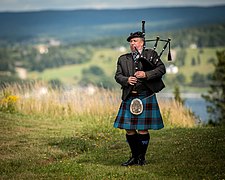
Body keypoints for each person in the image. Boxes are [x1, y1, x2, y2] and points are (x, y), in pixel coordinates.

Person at [113, 31, 166, 166]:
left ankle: (141, 158)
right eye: (131, 41)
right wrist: (126, 80)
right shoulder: (123, 59)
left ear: (142, 42)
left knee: (142, 129)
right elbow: (118, 76)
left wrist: (146, 74)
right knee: (129, 129)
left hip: (146, 96)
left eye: (135, 41)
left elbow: (161, 69)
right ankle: (134, 156)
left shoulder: (150, 55)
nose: (132, 43)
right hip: (130, 96)